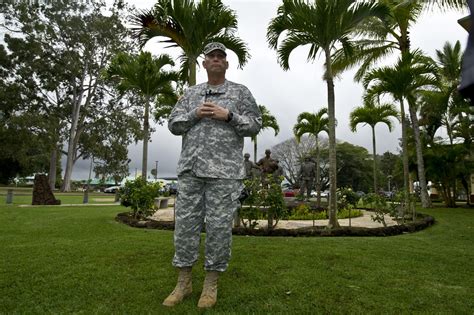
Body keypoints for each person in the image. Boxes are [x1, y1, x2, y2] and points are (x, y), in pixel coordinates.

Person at [164, 42, 262, 308]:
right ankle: (183, 282)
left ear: (227, 64)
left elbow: (255, 125)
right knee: (185, 227)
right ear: (204, 64)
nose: (216, 59)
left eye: (221, 56)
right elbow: (173, 124)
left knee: (218, 229)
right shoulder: (191, 94)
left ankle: (211, 283)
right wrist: (195, 114)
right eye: (211, 56)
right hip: (191, 170)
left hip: (224, 174)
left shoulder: (240, 93)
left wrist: (228, 115)